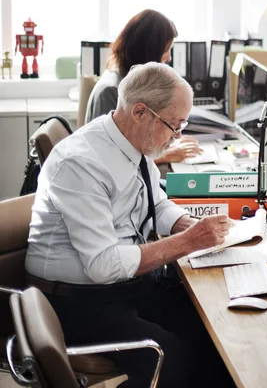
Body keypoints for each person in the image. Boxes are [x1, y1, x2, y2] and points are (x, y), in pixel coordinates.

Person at [26, 63, 235, 387]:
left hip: (125, 287)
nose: (177, 136)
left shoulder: (132, 142)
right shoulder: (82, 162)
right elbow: (102, 265)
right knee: (171, 358)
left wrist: (185, 223)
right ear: (140, 112)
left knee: (216, 334)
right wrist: (188, 242)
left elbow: (155, 202)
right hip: (75, 301)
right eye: (174, 125)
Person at [86, 9, 201, 164]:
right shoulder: (111, 90)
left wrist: (166, 142)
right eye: (166, 50)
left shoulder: (132, 84)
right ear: (149, 49)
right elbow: (109, 159)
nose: (169, 57)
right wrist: (165, 155)